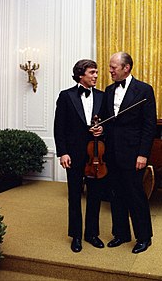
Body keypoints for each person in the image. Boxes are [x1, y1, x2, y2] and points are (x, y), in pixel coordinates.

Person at [102, 51, 157, 254]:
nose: (110, 71)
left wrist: (143, 154)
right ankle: (121, 234)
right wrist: (101, 129)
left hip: (134, 154)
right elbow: (109, 122)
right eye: (110, 67)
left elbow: (149, 126)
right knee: (115, 195)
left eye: (113, 67)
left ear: (126, 68)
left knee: (135, 195)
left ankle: (144, 237)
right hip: (112, 153)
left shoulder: (144, 90)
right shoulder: (108, 90)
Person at [54, 59, 105, 253]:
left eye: (97, 72)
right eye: (92, 72)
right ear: (80, 74)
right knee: (74, 195)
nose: (96, 76)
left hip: (96, 154)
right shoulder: (66, 96)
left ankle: (91, 234)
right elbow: (59, 126)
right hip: (73, 154)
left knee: (95, 194)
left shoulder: (102, 96)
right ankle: (76, 235)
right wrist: (63, 152)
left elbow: (109, 123)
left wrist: (102, 129)